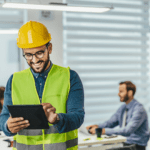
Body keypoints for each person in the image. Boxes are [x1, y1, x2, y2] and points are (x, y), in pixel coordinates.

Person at [0, 21, 84, 150]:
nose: (34, 60)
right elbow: (4, 117)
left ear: (49, 48)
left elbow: (78, 117)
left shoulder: (70, 77)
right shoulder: (14, 80)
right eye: (28, 55)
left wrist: (57, 119)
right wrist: (7, 125)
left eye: (39, 53)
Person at [86, 81, 149, 150]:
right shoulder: (123, 108)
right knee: (101, 146)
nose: (118, 94)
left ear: (130, 93)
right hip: (125, 142)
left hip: (136, 145)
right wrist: (97, 126)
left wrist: (102, 131)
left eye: (121, 91)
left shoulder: (139, 109)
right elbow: (110, 123)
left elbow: (127, 131)